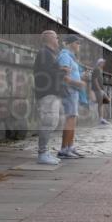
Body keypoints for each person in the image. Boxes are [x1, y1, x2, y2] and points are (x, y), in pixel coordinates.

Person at [33, 30, 67, 165]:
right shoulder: (44, 53)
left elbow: (51, 71)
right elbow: (47, 72)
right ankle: (42, 154)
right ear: (50, 39)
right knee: (48, 122)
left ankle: (45, 152)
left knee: (53, 122)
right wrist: (63, 71)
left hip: (52, 93)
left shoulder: (50, 54)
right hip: (47, 93)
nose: (58, 40)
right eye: (56, 38)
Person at [57, 35, 88, 158]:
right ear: (70, 44)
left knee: (72, 120)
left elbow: (71, 73)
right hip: (69, 90)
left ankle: (70, 147)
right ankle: (64, 149)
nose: (79, 45)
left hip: (73, 91)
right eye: (77, 42)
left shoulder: (70, 57)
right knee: (70, 120)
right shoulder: (64, 56)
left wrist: (81, 75)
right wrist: (78, 83)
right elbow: (63, 75)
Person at [91, 59, 109, 124]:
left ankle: (102, 118)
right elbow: (95, 80)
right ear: (99, 63)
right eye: (103, 63)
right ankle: (101, 119)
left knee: (104, 102)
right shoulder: (97, 69)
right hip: (98, 90)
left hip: (100, 90)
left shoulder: (99, 70)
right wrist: (99, 89)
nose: (104, 64)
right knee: (101, 104)